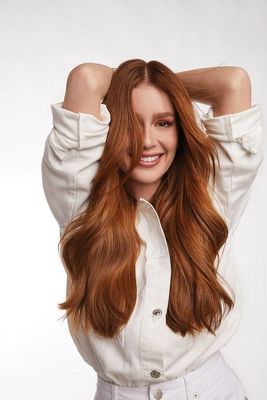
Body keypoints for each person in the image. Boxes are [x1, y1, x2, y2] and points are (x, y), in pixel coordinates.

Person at [41, 59, 264, 400]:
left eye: (163, 122)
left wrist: (154, 84)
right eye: (130, 123)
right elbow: (85, 79)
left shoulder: (214, 193)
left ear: (179, 131)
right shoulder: (79, 199)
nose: (147, 141)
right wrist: (138, 83)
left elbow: (232, 83)